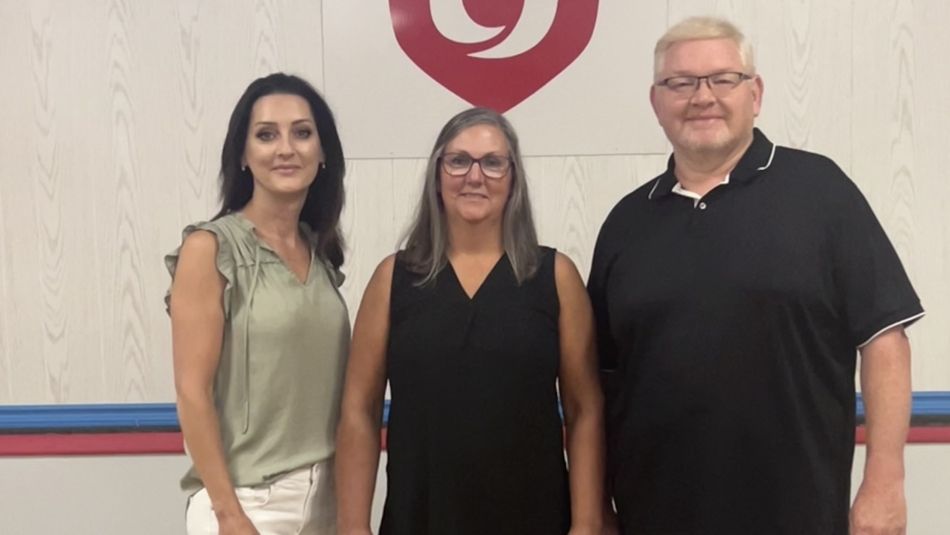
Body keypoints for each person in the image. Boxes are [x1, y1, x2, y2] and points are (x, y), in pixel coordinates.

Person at [588, 17, 924, 535]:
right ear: (656, 102)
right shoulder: (625, 224)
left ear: (756, 93)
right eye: (681, 83)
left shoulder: (821, 192)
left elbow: (884, 339)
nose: (703, 97)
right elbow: (602, 384)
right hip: (654, 515)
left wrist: (885, 482)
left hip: (798, 513)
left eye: (723, 79)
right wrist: (597, 511)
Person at [336, 107, 605, 535]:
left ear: (513, 177)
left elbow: (584, 408)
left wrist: (587, 522)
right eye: (458, 160)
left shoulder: (556, 276)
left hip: (534, 516)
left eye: (493, 162)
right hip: (421, 515)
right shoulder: (394, 279)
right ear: (437, 175)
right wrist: (351, 527)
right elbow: (359, 410)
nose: (474, 176)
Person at [165, 72, 349, 535]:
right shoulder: (210, 248)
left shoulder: (319, 251)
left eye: (302, 133)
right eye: (266, 135)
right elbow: (192, 391)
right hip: (248, 504)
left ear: (323, 152)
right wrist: (229, 515)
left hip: (325, 500)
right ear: (243, 155)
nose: (286, 148)